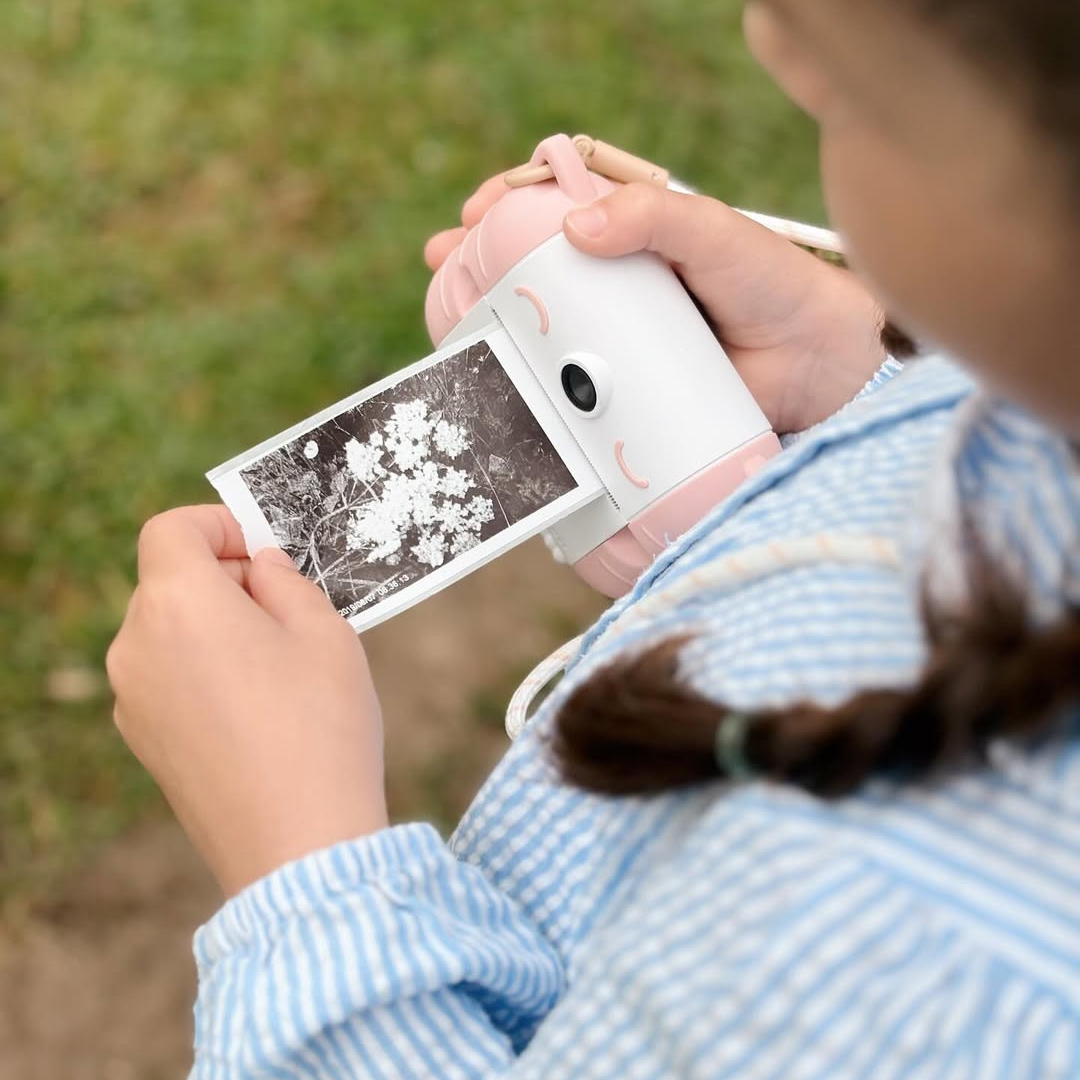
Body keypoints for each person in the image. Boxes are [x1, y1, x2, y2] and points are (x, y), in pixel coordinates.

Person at [106, 0, 1079, 1076]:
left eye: (864, 104)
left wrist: (297, 859)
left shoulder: (927, 961)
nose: (768, 40)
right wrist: (864, 381)